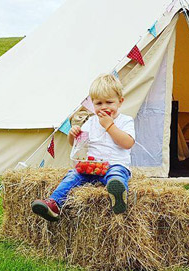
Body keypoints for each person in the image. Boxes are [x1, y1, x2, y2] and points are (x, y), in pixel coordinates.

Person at [31, 74, 136, 221]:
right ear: (93, 104)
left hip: (115, 164)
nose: (104, 107)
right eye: (99, 103)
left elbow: (127, 143)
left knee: (116, 175)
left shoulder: (125, 121)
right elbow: (77, 145)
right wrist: (73, 135)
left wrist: (109, 125)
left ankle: (118, 194)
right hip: (92, 166)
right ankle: (54, 204)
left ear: (120, 102)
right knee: (72, 176)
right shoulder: (90, 122)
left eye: (109, 102)